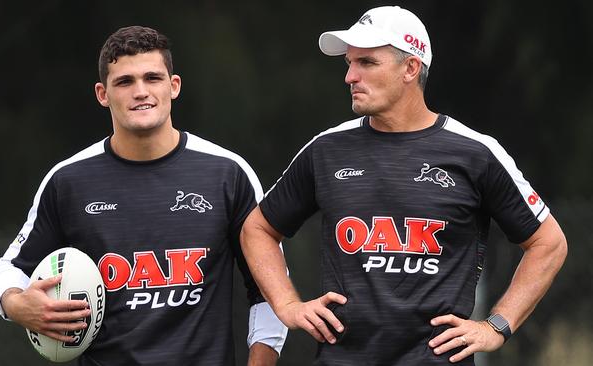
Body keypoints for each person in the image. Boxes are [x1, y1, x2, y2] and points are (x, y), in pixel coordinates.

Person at [240, 6, 567, 365]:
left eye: (366, 63)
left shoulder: (476, 153)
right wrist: (287, 304)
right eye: (349, 63)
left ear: (411, 68)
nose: (350, 76)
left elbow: (548, 244)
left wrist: (496, 326)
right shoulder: (326, 150)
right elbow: (257, 228)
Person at [0, 26, 286, 366]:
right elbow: (11, 268)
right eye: (125, 82)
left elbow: (270, 290)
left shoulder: (227, 173)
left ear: (173, 86)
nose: (141, 92)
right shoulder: (68, 180)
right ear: (103, 93)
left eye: (153, 78)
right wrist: (16, 305)